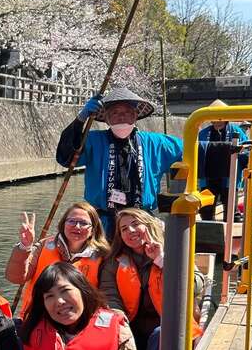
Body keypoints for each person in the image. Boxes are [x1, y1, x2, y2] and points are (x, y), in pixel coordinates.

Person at [56, 87, 183, 237]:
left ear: (136, 116)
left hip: (142, 221)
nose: (121, 117)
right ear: (107, 118)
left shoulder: (156, 142)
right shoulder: (93, 140)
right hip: (102, 223)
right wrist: (80, 119)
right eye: (115, 113)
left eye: (127, 112)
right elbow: (66, 157)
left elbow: (192, 151)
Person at [99, 209, 202, 350]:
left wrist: (161, 260)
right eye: (124, 229)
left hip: (167, 324)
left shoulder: (173, 249)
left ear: (148, 225)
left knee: (161, 334)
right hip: (133, 324)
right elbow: (109, 294)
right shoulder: (114, 261)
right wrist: (119, 316)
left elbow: (196, 285)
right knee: (113, 330)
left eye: (135, 224)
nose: (130, 231)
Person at [5, 202, 110, 319]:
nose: (77, 226)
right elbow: (16, 278)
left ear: (93, 229)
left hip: (79, 322)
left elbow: (108, 295)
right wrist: (24, 247)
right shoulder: (44, 245)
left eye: (84, 223)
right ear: (63, 224)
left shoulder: (103, 256)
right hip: (38, 318)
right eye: (72, 221)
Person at [198, 100, 250, 221]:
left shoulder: (236, 131)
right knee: (206, 211)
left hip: (229, 176)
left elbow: (247, 151)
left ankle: (232, 224)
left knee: (231, 208)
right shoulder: (203, 134)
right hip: (208, 176)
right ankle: (208, 228)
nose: (217, 120)